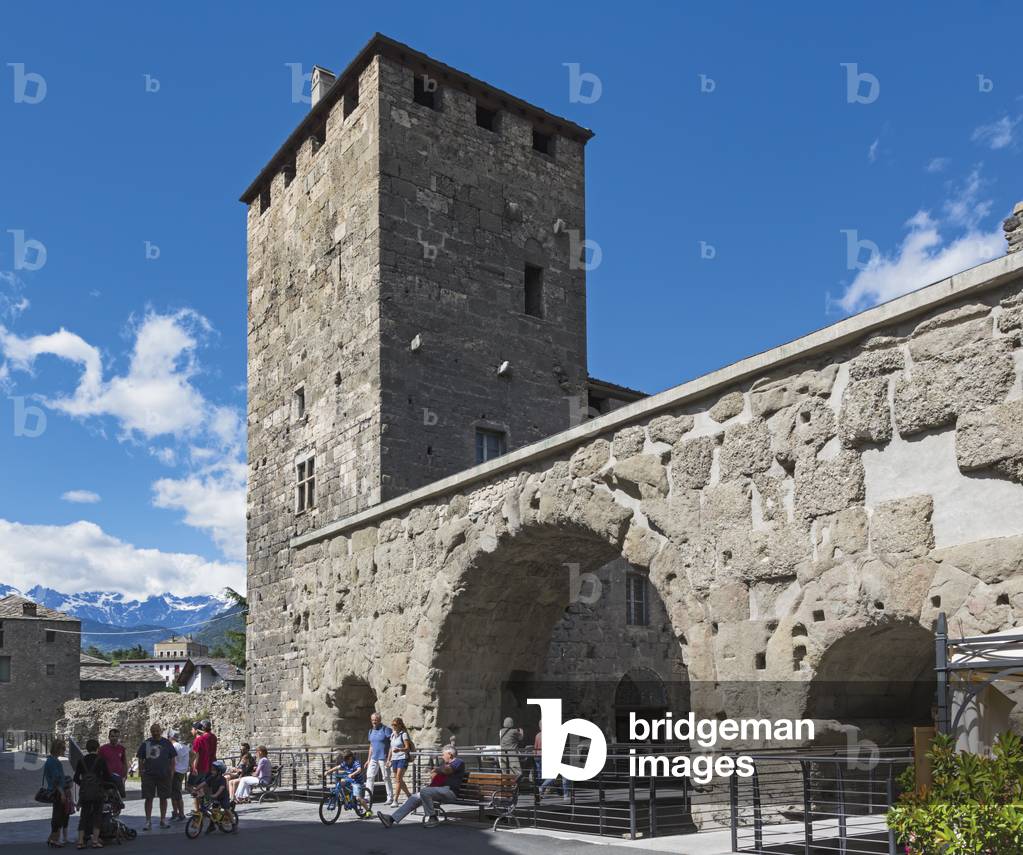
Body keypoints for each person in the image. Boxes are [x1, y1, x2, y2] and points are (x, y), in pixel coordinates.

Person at [377, 746, 465, 828]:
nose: (442, 756)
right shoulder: (444, 764)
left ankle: (433, 818)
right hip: (440, 790)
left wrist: (437, 769)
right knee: (414, 797)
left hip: (450, 792)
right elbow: (435, 775)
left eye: (443, 754)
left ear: (450, 755)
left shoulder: (459, 762)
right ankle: (391, 819)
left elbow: (448, 770)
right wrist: (436, 771)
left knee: (425, 791)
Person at [136, 723, 176, 831]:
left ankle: (163, 819)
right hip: (149, 775)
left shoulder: (167, 743)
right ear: (150, 731)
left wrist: (172, 771)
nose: (155, 733)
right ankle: (148, 821)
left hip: (164, 774)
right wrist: (141, 772)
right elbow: (140, 758)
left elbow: (172, 758)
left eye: (157, 730)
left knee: (164, 798)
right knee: (148, 798)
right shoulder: (146, 743)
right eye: (153, 731)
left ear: (161, 731)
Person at [74, 738, 112, 849]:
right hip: (97, 791)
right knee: (97, 815)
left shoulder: (81, 761)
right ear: (97, 748)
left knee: (84, 816)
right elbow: (107, 777)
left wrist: (84, 785)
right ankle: (95, 840)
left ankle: (80, 841)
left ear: (87, 748)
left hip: (85, 792)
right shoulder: (101, 760)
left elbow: (75, 778)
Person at [323, 750, 370, 815]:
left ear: (350, 758)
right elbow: (337, 767)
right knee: (341, 783)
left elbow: (359, 769)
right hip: (349, 779)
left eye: (346, 759)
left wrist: (353, 774)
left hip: (357, 781)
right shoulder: (345, 762)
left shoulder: (355, 762)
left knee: (358, 798)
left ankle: (368, 810)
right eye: (344, 759)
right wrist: (329, 771)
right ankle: (347, 800)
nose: (345, 761)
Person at [43, 739, 70, 848]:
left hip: (56, 790)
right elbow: (56, 780)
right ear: (57, 749)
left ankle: (52, 838)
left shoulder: (50, 760)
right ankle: (55, 839)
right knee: (58, 815)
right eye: (63, 748)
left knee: (58, 814)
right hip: (58, 792)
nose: (64, 750)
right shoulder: (54, 762)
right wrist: (62, 793)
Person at [364, 712, 393, 808]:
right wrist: (368, 760)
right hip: (374, 758)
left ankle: (390, 797)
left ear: (379, 720)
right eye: (372, 720)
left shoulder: (386, 730)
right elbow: (371, 746)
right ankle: (367, 797)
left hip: (383, 758)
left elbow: (392, 744)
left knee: (386, 777)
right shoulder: (370, 731)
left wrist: (389, 758)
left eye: (375, 720)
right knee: (369, 777)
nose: (374, 722)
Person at [534, 723, 569, 798]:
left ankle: (542, 791)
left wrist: (535, 757)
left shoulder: (538, 735)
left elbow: (535, 747)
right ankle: (564, 794)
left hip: (541, 757)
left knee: (546, 776)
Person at [166, 729, 190, 821]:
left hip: (175, 772)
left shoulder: (173, 747)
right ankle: (177, 812)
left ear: (171, 737)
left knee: (175, 794)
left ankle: (179, 813)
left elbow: (171, 761)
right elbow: (192, 755)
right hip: (181, 772)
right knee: (176, 793)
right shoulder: (184, 746)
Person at [388, 718, 413, 805]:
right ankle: (409, 796)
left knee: (398, 779)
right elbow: (391, 748)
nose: (393, 727)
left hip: (402, 758)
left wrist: (399, 750)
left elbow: (407, 748)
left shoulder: (404, 734)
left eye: (395, 725)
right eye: (392, 725)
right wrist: (388, 759)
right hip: (394, 759)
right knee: (398, 779)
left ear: (400, 725)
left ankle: (395, 800)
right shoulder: (392, 735)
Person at [96, 730, 126, 799]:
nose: (114, 738)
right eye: (112, 736)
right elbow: (98, 762)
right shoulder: (102, 749)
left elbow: (124, 762)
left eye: (116, 736)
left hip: (118, 776)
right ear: (109, 737)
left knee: (120, 797)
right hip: (107, 776)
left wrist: (125, 774)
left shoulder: (121, 748)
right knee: (106, 795)